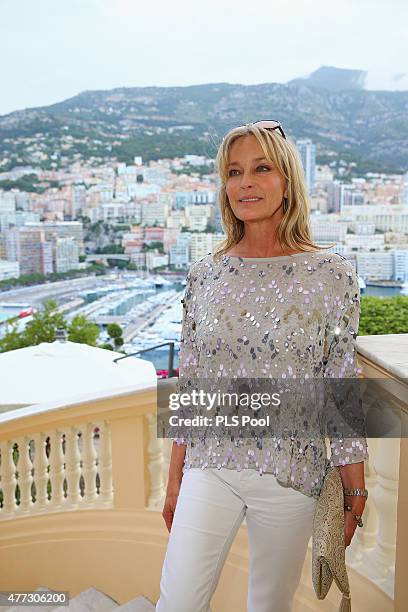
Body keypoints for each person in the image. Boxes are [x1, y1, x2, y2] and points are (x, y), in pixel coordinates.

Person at [156, 121, 369, 612]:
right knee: (177, 602)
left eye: (261, 168)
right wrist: (175, 480)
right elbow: (191, 382)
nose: (245, 183)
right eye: (233, 172)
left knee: (269, 605)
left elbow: (339, 385)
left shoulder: (331, 272)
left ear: (287, 181)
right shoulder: (206, 273)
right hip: (210, 467)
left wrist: (354, 486)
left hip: (291, 474)